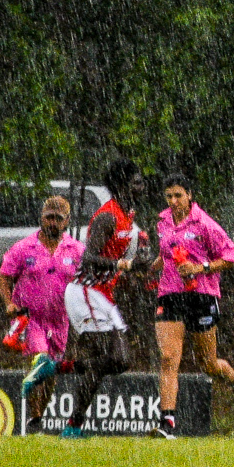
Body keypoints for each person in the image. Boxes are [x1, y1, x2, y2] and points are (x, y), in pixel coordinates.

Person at [59, 159, 154, 439]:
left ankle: (60, 369)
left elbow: (124, 255)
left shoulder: (129, 213)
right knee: (111, 358)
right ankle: (73, 426)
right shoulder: (108, 216)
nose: (142, 186)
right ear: (123, 185)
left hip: (102, 294)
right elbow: (88, 258)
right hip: (85, 291)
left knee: (117, 362)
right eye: (137, 181)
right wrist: (124, 265)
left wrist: (141, 260)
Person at [151, 174, 234, 440]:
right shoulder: (163, 222)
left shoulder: (204, 223)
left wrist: (200, 268)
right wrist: (155, 266)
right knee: (169, 358)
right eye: (169, 196)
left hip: (201, 295)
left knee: (207, 364)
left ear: (190, 195)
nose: (173, 201)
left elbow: (229, 256)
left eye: (178, 195)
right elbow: (165, 252)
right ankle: (167, 422)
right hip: (170, 294)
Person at [2, 195, 84, 433]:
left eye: (58, 219)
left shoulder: (77, 250)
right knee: (40, 360)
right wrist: (9, 302)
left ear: (67, 221)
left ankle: (38, 417)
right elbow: (3, 277)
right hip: (32, 318)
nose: (53, 223)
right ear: (41, 218)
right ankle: (35, 419)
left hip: (60, 321)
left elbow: (86, 284)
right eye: (49, 217)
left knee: (50, 375)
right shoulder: (23, 247)